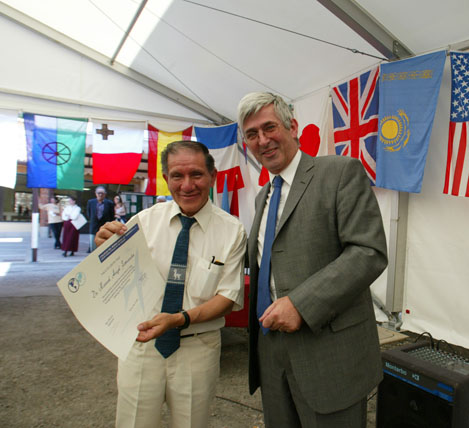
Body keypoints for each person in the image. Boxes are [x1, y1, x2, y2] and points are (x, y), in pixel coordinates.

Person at [238, 92, 388, 428]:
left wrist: (301, 304)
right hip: (271, 351)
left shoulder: (339, 172)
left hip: (329, 355)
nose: (262, 140)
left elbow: (368, 252)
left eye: (269, 128)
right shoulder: (263, 197)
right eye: (252, 134)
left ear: (292, 127)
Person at [95, 140, 247, 428]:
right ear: (166, 178)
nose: (187, 185)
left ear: (212, 176)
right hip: (141, 345)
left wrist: (179, 319)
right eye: (177, 175)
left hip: (197, 349)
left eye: (196, 174)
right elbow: (112, 276)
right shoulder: (142, 222)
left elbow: (228, 297)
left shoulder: (232, 231)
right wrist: (103, 247)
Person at [86, 185, 115, 252]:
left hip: (105, 227)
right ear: (96, 193)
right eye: (99, 193)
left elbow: (112, 216)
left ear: (105, 194)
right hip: (94, 226)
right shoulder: (91, 202)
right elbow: (89, 213)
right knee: (93, 247)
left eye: (102, 193)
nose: (100, 195)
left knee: (104, 247)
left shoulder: (110, 203)